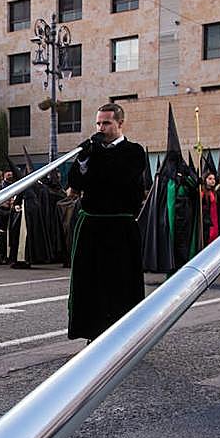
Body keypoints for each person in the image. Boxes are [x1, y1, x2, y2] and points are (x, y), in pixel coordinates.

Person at [66, 102, 147, 341]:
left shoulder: (134, 151)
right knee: (90, 281)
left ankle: (124, 333)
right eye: (98, 123)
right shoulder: (92, 152)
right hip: (92, 226)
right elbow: (75, 183)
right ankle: (92, 331)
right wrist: (82, 160)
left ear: (120, 123)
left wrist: (94, 157)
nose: (101, 128)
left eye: (107, 123)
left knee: (121, 281)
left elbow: (117, 177)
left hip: (120, 227)